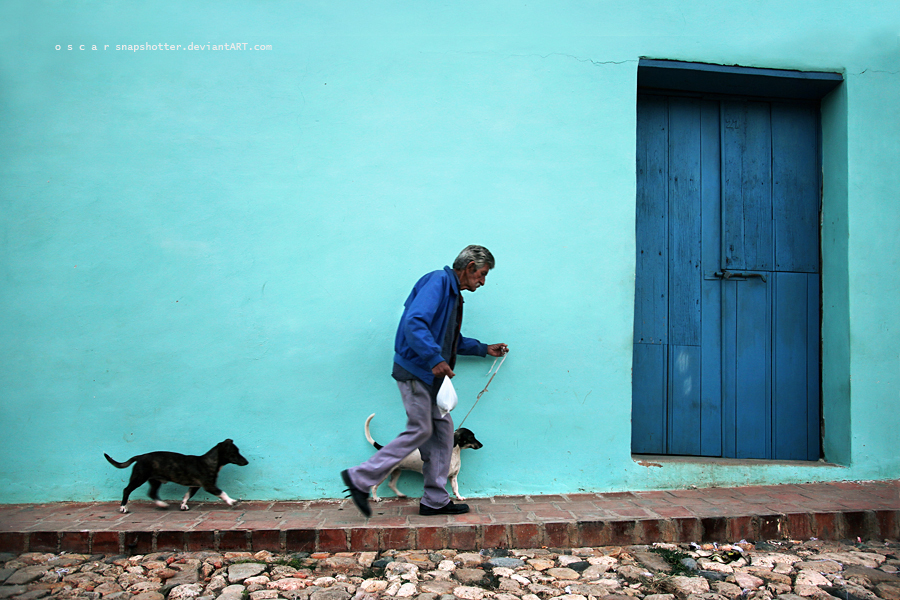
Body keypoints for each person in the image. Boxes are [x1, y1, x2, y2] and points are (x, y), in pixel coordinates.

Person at [341, 245, 508, 517]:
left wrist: (483, 348)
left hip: (432, 376)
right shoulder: (438, 281)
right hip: (417, 371)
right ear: (469, 268)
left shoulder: (453, 294)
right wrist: (434, 358)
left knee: (443, 436)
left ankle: (434, 500)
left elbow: (448, 339)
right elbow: (414, 322)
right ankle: (360, 477)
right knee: (420, 429)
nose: (483, 281)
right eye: (482, 274)